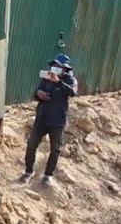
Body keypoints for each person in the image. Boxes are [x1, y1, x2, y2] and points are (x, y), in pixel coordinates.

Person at [18, 54, 79, 187]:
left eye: (58, 66)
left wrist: (58, 81)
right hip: (42, 118)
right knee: (32, 144)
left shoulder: (70, 80)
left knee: (55, 149)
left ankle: (48, 175)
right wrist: (38, 94)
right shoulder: (46, 78)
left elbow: (73, 92)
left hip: (57, 121)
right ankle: (28, 172)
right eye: (53, 65)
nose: (54, 68)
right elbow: (37, 93)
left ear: (64, 69)